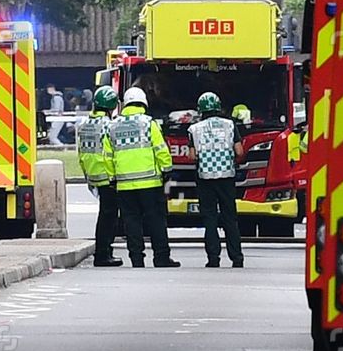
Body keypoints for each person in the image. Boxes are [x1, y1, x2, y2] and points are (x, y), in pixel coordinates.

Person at [103, 86, 179, 268]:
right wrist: (167, 169)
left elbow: (108, 155)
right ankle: (161, 257)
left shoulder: (112, 126)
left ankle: (136, 258)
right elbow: (160, 148)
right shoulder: (148, 123)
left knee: (131, 222)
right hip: (150, 182)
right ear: (144, 102)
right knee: (156, 220)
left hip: (124, 185)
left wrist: (112, 177)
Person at [189, 91, 245, 269]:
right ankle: (237, 258)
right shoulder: (229, 125)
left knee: (210, 220)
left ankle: (213, 259)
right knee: (230, 219)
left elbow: (192, 156)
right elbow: (239, 151)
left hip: (205, 179)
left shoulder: (194, 129)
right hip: (227, 178)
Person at [78, 85, 122, 267]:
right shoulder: (109, 125)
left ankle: (104, 252)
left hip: (93, 174)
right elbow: (112, 152)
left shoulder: (84, 124)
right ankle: (103, 254)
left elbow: (80, 152)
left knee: (105, 214)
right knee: (109, 217)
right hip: (107, 175)